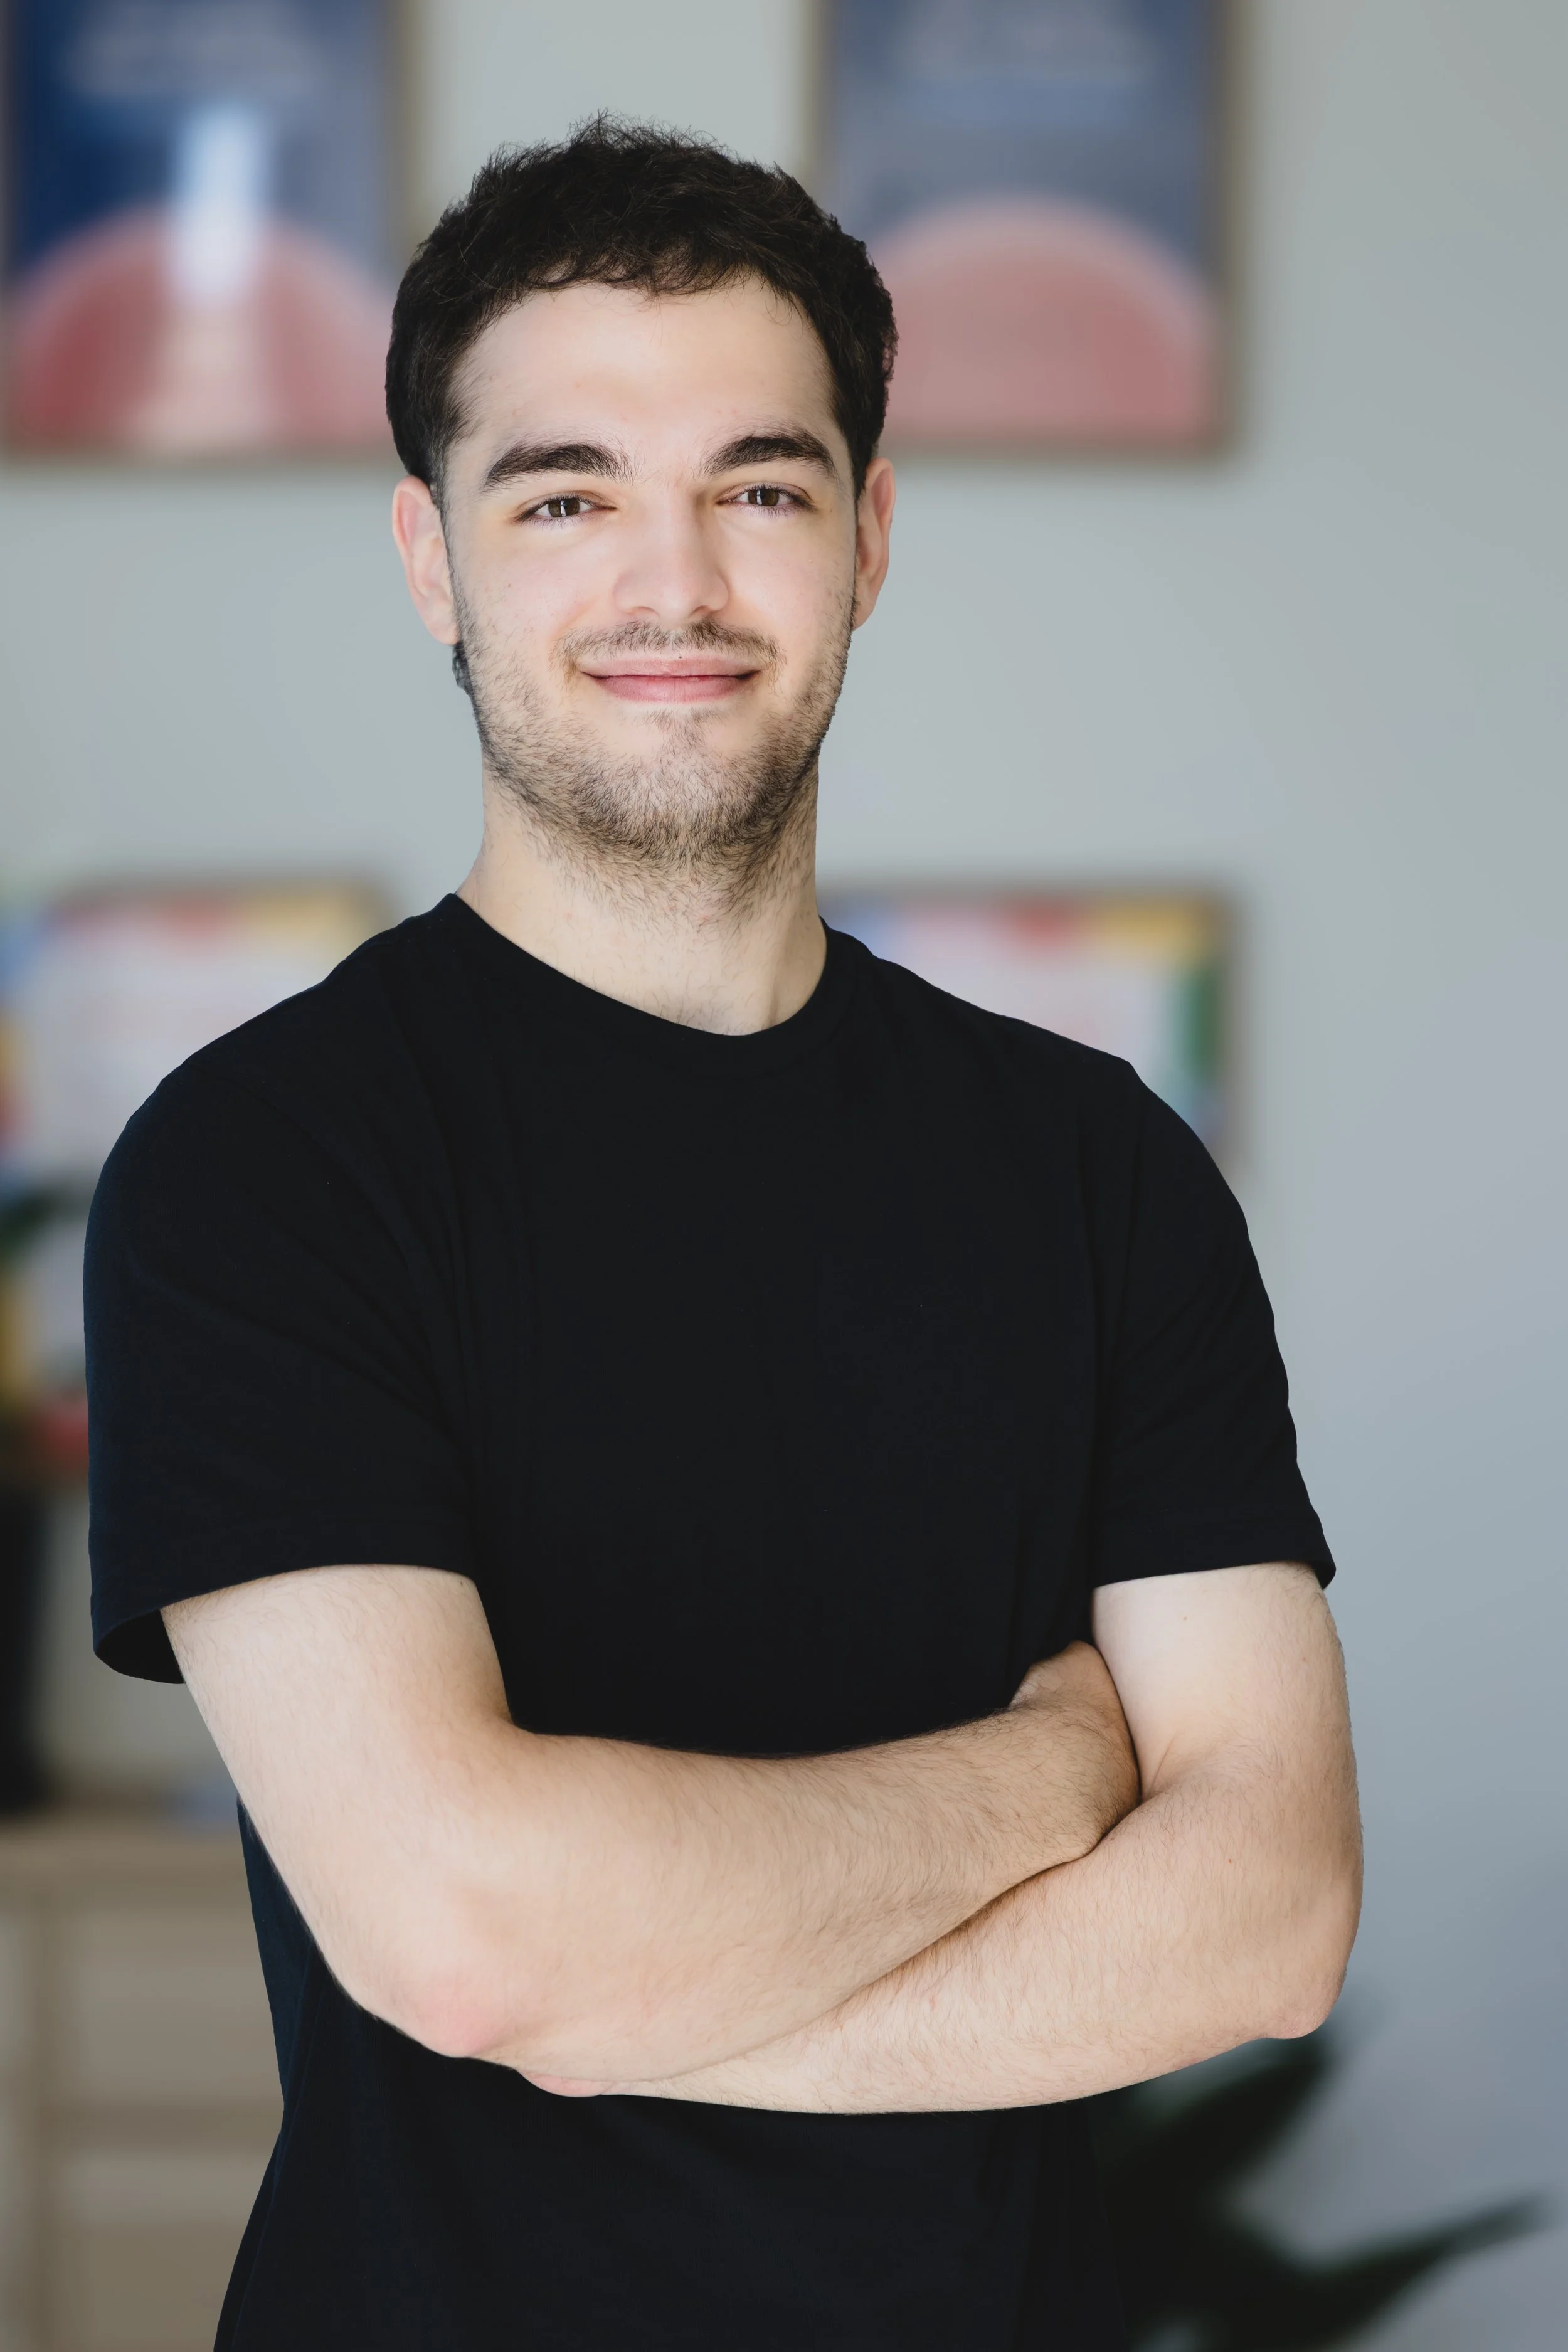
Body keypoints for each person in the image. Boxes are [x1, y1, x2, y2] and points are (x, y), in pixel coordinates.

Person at [84, 120, 1361, 2352]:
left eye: (757, 488)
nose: (668, 584)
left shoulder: (1096, 1165)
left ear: (867, 539)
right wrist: (1055, 1770)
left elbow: (1265, 1917)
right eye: (563, 495)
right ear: (430, 557)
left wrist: (635, 2008)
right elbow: (468, 1935)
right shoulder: (264, 1164)